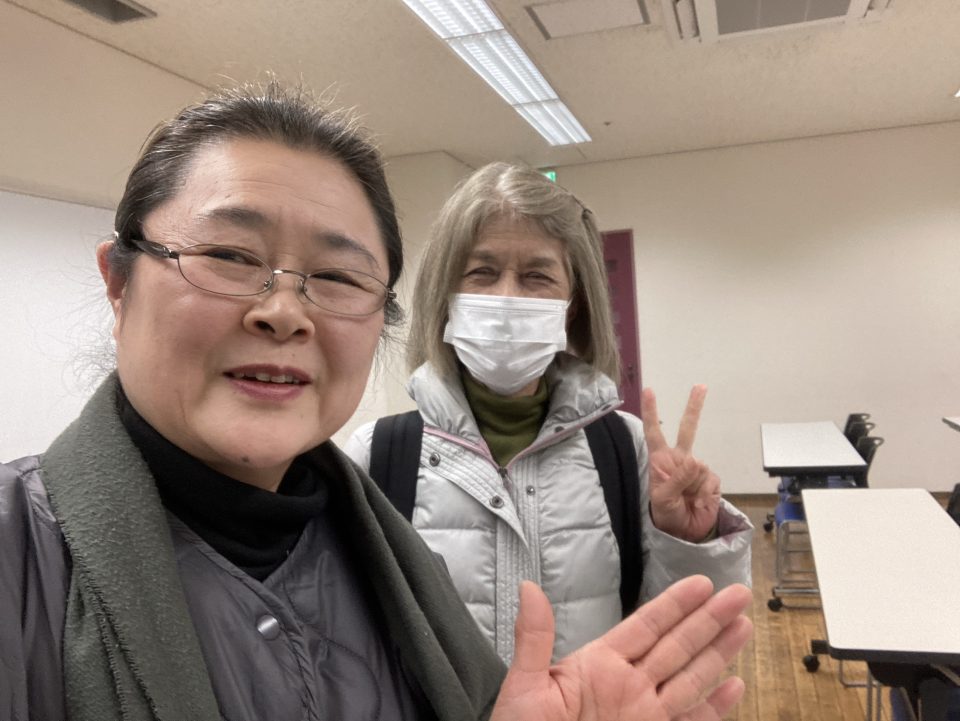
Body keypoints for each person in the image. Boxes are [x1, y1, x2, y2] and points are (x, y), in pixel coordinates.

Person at [0, 83, 753, 721]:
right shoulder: (383, 454)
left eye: (335, 275)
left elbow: (679, 626)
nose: (284, 312)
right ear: (119, 281)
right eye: (229, 256)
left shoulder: (364, 538)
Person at [346, 162, 754, 663]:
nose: (507, 298)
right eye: (481, 272)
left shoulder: (622, 448)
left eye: (536, 276)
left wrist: (691, 541)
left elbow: (682, 639)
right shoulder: (380, 455)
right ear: (446, 296)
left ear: (572, 304)